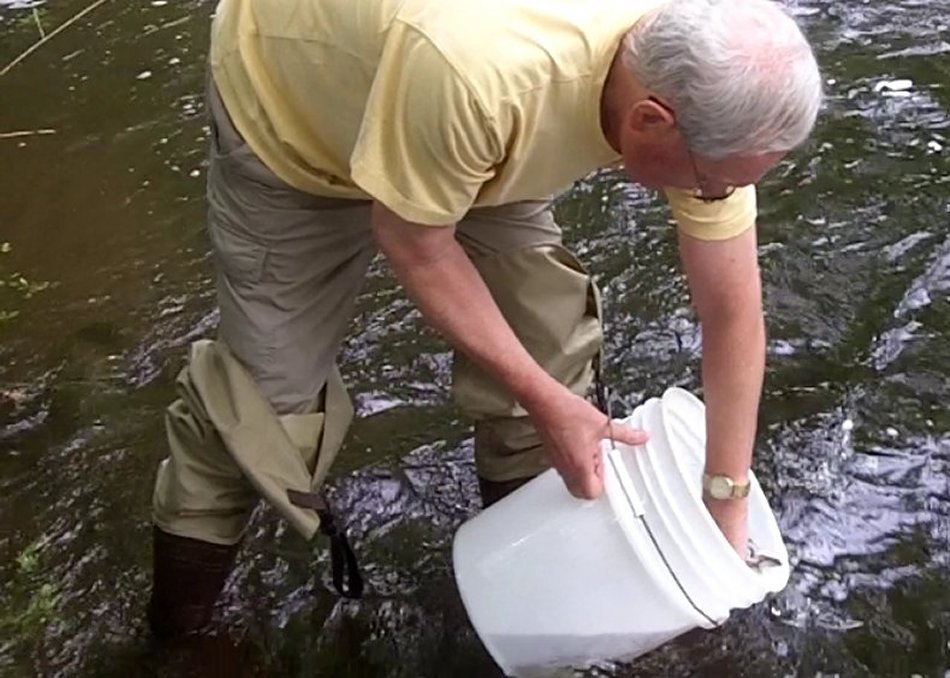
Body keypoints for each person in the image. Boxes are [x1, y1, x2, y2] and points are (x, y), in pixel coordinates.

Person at [147, 0, 822, 642]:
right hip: (300, 119)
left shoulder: (704, 85)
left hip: (462, 128)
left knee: (549, 346)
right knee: (266, 412)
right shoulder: (481, 71)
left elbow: (733, 315)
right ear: (650, 120)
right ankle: (180, 639)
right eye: (712, 184)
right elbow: (413, 241)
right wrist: (539, 397)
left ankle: (528, 571)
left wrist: (724, 501)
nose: (714, 197)